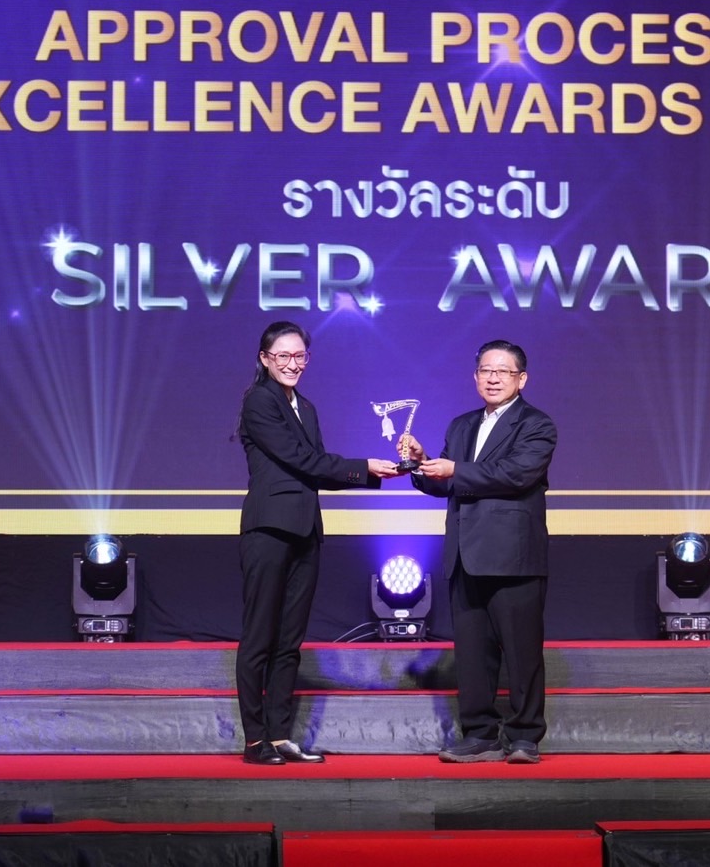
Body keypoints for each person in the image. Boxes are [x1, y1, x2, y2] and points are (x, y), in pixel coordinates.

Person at [236, 320, 399, 765]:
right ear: (265, 359)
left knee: (290, 640)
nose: (293, 364)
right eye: (283, 356)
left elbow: (317, 468)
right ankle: (254, 740)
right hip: (269, 530)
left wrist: (372, 473)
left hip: (305, 531)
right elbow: (301, 459)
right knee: (260, 636)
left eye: (299, 356)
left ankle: (279, 734)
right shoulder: (259, 401)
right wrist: (362, 466)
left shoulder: (305, 407)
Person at [399, 340, 557, 764]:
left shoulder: (536, 424)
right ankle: (480, 733)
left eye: (503, 371)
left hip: (513, 556)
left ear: (521, 379)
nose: (493, 378)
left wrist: (456, 469)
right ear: (475, 377)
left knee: (522, 652)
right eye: (486, 370)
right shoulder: (462, 425)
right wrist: (422, 463)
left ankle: (524, 736)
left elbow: (516, 474)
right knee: (471, 654)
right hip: (465, 555)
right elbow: (446, 482)